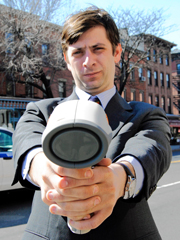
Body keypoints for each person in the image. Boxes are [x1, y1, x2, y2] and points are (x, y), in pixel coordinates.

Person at [12, 7, 172, 240]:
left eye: (98, 49)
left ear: (117, 53)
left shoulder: (147, 115)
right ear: (66, 59)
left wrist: (119, 179)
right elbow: (28, 146)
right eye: (78, 52)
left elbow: (151, 152)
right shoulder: (40, 111)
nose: (88, 62)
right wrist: (45, 171)